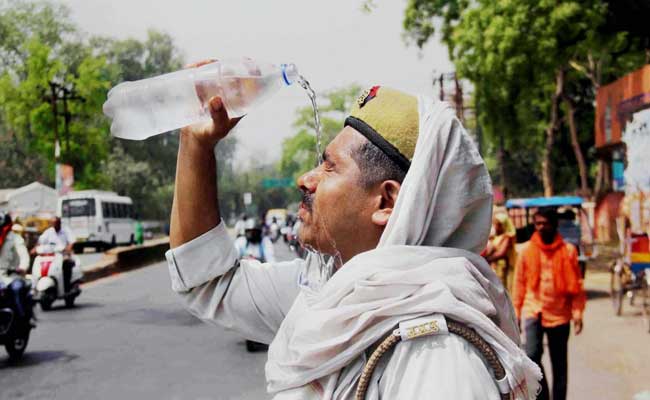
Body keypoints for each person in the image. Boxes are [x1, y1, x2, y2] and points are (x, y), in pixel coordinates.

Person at [166, 81, 540, 399]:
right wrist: (196, 144)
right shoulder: (331, 296)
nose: (305, 179)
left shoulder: (435, 353)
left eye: (330, 166)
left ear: (386, 201)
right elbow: (211, 281)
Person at [513, 207, 586, 400]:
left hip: (559, 315)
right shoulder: (527, 250)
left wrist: (578, 314)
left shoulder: (568, 251)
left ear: (554, 224)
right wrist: (516, 312)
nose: (541, 227)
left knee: (559, 365)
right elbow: (519, 283)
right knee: (532, 357)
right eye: (538, 224)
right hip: (533, 310)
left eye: (545, 223)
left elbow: (577, 287)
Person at [0, 213, 31, 319]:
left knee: (17, 289)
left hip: (12, 276)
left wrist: (22, 267)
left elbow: (24, 255)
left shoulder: (15, 238)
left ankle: (22, 318)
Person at [37, 217, 76, 293]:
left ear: (59, 223)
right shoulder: (48, 232)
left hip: (63, 255)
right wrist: (35, 249)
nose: (55, 225)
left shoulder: (66, 231)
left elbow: (72, 242)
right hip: (51, 256)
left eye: (56, 223)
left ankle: (67, 287)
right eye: (53, 223)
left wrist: (67, 249)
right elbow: (40, 241)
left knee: (67, 264)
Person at [484, 211, 517, 293]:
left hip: (504, 268)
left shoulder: (507, 237)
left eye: (498, 225)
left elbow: (501, 253)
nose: (496, 227)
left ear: (504, 225)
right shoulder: (495, 237)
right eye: (495, 224)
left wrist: (487, 259)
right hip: (496, 267)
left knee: (504, 289)